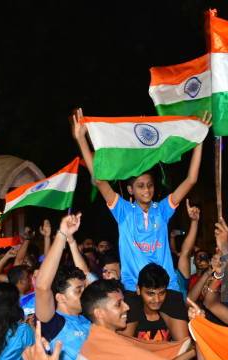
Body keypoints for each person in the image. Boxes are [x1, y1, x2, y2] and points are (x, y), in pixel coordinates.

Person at [71, 107, 210, 294]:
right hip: (133, 288)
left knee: (181, 324)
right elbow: (99, 181)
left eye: (150, 185)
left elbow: (191, 179)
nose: (147, 189)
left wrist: (199, 140)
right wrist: (81, 138)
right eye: (140, 186)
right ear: (130, 190)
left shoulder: (162, 209)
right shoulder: (123, 210)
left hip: (167, 287)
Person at [79, 279, 202, 360]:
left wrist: (197, 341)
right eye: (118, 304)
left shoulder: (107, 342)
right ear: (99, 313)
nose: (127, 307)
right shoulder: (102, 353)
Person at [35, 213, 91, 360]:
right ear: (60, 297)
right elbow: (42, 287)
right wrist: (61, 234)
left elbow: (86, 277)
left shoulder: (88, 318)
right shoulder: (54, 324)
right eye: (78, 291)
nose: (85, 294)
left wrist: (72, 242)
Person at [122, 263, 189, 341]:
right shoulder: (130, 303)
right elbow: (123, 347)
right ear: (138, 289)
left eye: (161, 293)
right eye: (150, 294)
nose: (157, 299)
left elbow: (184, 345)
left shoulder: (173, 300)